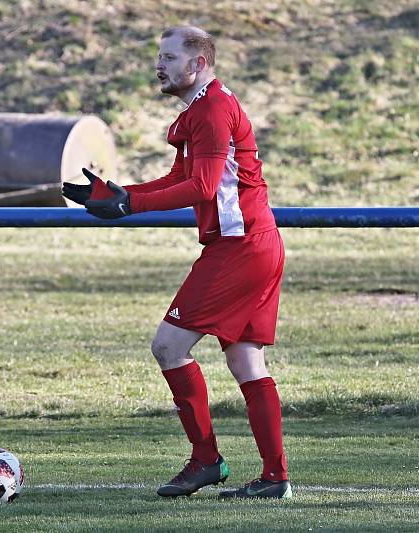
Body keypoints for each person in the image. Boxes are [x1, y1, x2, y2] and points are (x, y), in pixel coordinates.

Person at [62, 25, 291, 500]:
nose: (159, 65)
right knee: (245, 358)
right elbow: (181, 177)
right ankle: (275, 478)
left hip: (240, 247)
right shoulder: (205, 107)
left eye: (169, 57)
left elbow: (203, 189)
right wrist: (116, 194)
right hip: (255, 242)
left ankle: (207, 460)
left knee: (168, 347)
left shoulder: (211, 110)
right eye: (159, 56)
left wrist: (130, 205)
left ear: (198, 64)